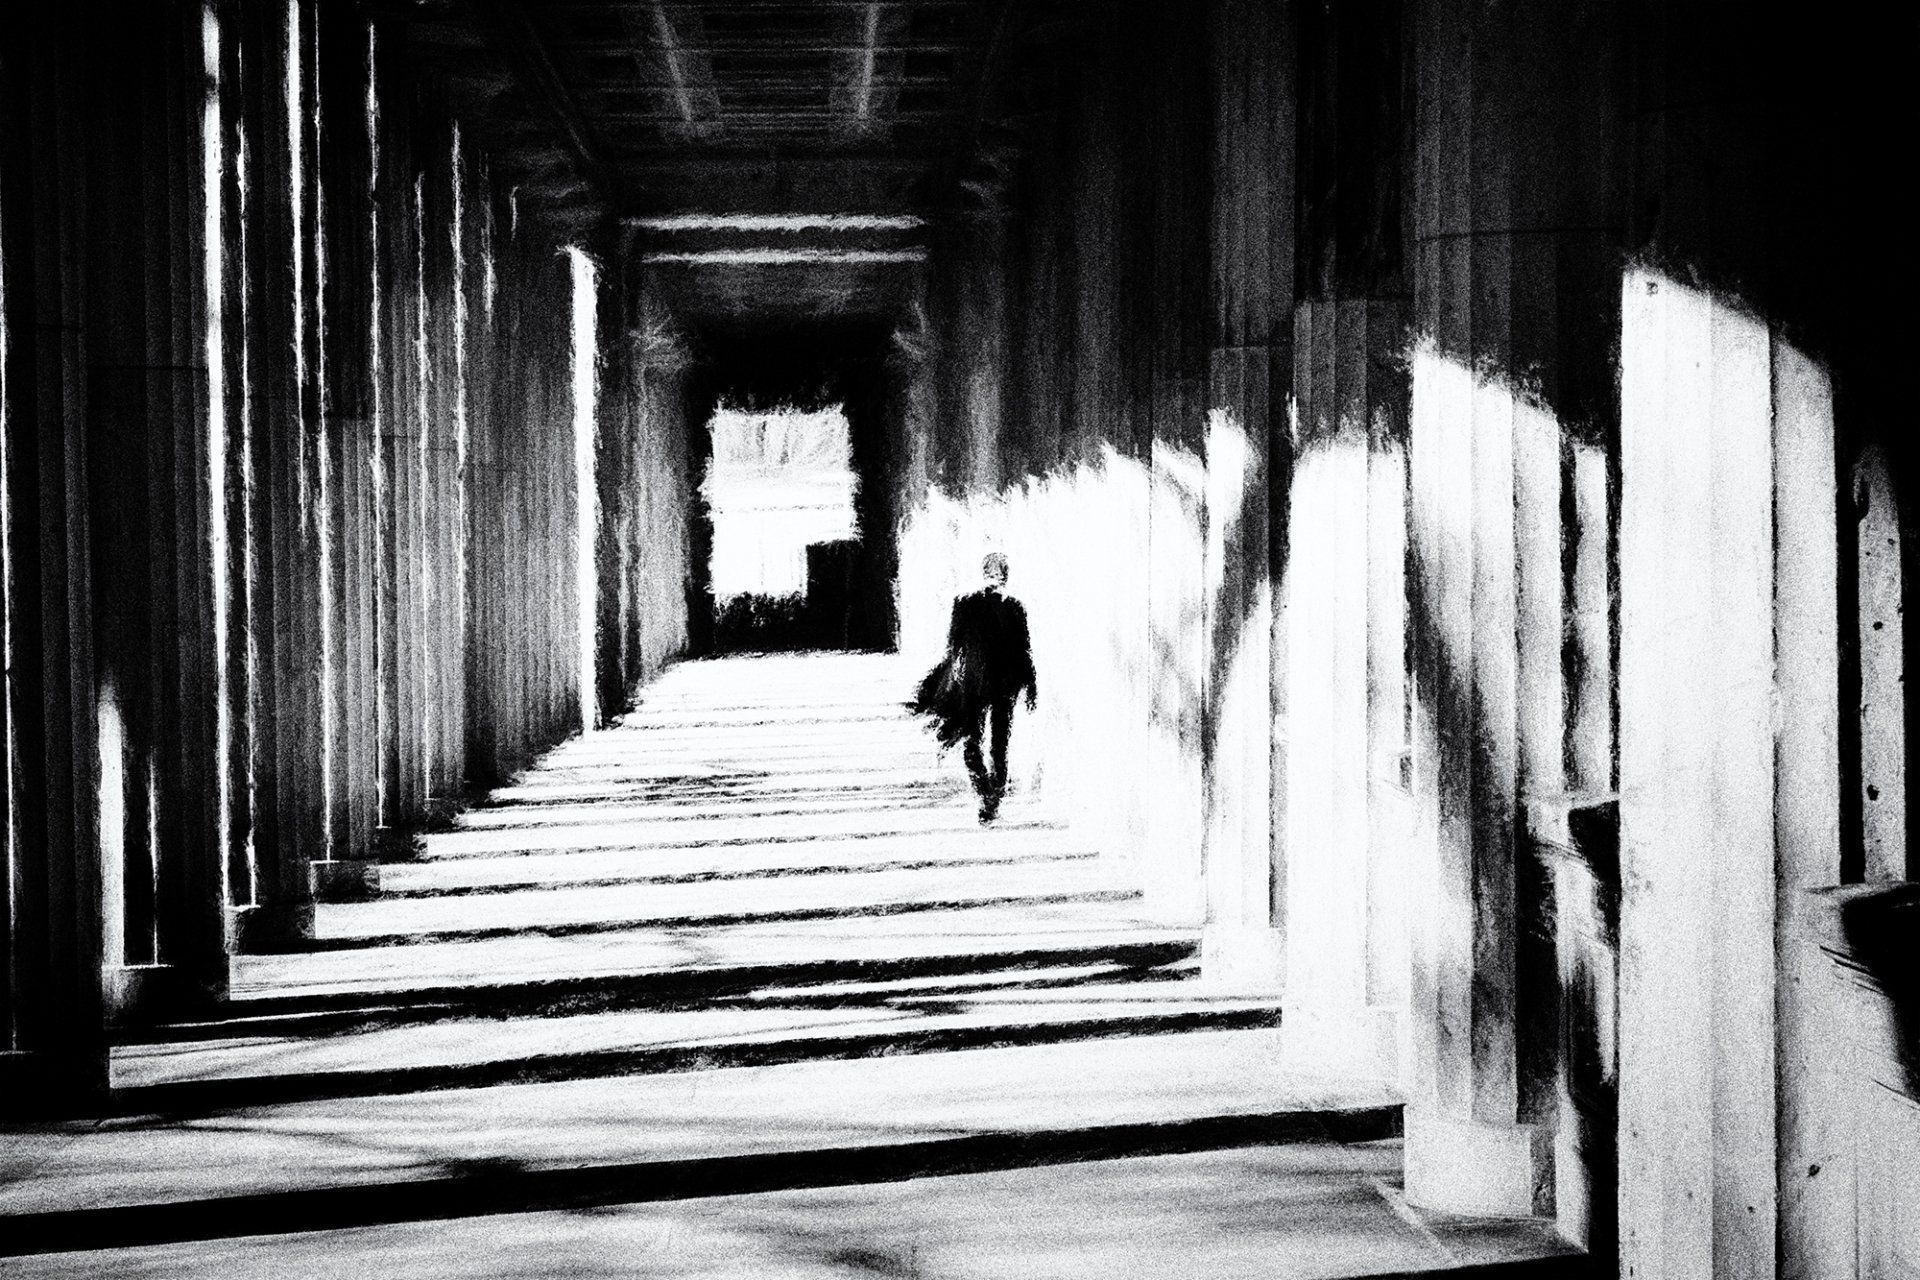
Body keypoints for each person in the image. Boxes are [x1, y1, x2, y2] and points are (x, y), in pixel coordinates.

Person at [910, 552, 1038, 823]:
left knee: (973, 741)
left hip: (974, 683)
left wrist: (949, 680)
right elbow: (1024, 651)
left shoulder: (965, 604)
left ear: (984, 572)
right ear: (1005, 574)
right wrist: (1031, 687)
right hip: (1004, 685)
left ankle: (984, 792)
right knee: (999, 742)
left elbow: (953, 647)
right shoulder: (1015, 607)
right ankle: (995, 797)